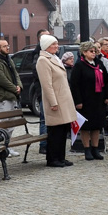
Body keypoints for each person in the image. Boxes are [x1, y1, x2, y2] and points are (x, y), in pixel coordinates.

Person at [36, 35, 77, 168]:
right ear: (46, 46)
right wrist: (53, 102)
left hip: (63, 99)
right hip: (55, 100)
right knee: (55, 131)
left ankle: (61, 157)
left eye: (57, 44)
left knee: (63, 129)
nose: (56, 46)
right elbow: (46, 84)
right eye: (53, 44)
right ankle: (53, 158)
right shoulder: (43, 60)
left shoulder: (54, 58)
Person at [69, 41, 108, 161]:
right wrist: (78, 101)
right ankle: (87, 149)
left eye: (94, 51)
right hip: (85, 100)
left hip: (99, 100)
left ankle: (95, 148)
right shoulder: (79, 66)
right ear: (84, 52)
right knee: (86, 127)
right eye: (91, 51)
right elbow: (75, 85)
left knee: (97, 126)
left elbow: (106, 81)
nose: (94, 53)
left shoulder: (99, 64)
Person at [0, 38, 23, 157]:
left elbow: (15, 74)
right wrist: (14, 88)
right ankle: (1, 148)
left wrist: (19, 86)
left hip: (12, 96)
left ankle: (8, 146)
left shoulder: (8, 59)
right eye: (4, 46)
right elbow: (1, 80)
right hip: (3, 97)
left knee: (11, 125)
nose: (7, 48)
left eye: (8, 46)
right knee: (3, 124)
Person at [31, 29, 50, 154]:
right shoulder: (38, 55)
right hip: (43, 91)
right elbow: (38, 74)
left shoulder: (51, 53)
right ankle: (43, 144)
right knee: (44, 119)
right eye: (46, 37)